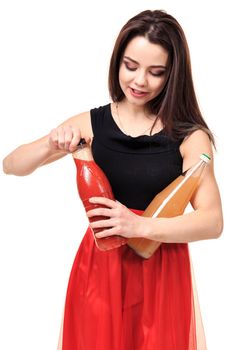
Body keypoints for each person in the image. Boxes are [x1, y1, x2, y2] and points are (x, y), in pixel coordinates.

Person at [3, 9, 223, 350]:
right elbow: (11, 165)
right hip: (101, 269)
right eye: (130, 66)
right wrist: (51, 141)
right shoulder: (93, 123)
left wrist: (140, 227)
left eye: (156, 72)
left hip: (162, 274)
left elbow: (212, 221)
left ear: (173, 75)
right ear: (117, 61)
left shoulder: (189, 137)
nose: (139, 82)